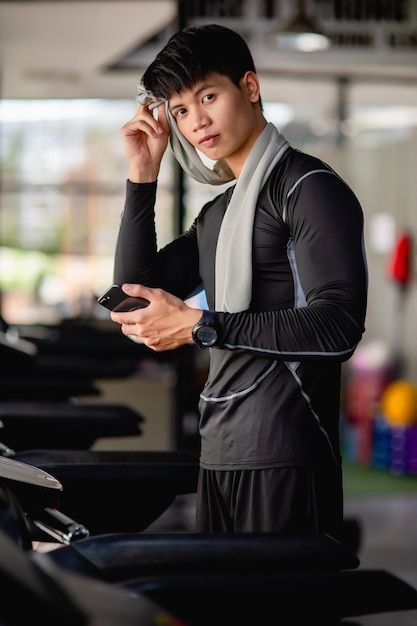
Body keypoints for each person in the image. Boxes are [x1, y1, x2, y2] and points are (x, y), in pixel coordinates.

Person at [110, 23, 368, 539]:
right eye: (180, 110)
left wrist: (204, 327)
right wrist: (142, 176)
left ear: (249, 88)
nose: (197, 121)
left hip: (288, 454)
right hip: (220, 451)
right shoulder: (218, 215)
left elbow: (338, 326)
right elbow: (131, 296)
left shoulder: (309, 188)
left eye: (209, 95)